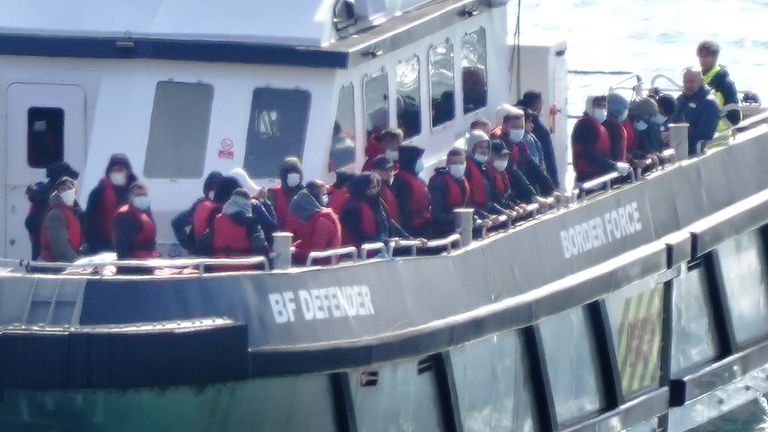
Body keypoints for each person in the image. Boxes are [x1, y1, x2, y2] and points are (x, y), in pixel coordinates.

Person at [491, 105, 558, 197]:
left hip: (520, 193)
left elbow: (533, 167)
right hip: (509, 194)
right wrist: (532, 196)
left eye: (521, 127)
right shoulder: (498, 144)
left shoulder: (520, 145)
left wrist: (551, 189)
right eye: (515, 127)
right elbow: (512, 171)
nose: (519, 130)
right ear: (504, 126)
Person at [25, 161, 80, 260]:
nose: (69, 190)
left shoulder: (39, 195)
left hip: (40, 248)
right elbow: (61, 248)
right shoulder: (57, 209)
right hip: (53, 259)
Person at [85, 153, 138, 253]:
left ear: (127, 171)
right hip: (103, 248)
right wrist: (97, 248)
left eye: (121, 169)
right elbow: (90, 224)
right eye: (114, 169)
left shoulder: (136, 192)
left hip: (131, 249)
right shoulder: (97, 193)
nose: (117, 172)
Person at [571, 96, 631, 182]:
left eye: (604, 106)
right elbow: (589, 154)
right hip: (588, 177)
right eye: (598, 105)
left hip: (599, 175)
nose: (602, 109)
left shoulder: (598, 124)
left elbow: (603, 153)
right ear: (590, 106)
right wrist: (614, 165)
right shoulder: (585, 125)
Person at [340, 172, 406, 247]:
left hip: (383, 248)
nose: (375, 190)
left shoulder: (378, 202)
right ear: (362, 188)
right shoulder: (351, 207)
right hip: (363, 253)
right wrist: (384, 242)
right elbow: (356, 234)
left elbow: (390, 222)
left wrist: (409, 239)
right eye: (372, 187)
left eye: (376, 187)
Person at [211, 189, 269, 268]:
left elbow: (203, 244)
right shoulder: (251, 224)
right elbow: (261, 247)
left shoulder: (217, 221)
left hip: (219, 269)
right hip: (245, 271)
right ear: (247, 203)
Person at [171, 171, 223, 254]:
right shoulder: (227, 205)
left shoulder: (200, 204)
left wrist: (190, 247)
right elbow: (177, 223)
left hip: (201, 255)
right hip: (217, 255)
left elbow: (176, 223)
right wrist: (189, 246)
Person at [289, 180, 342, 263]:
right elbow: (307, 240)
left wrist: (295, 252)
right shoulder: (317, 217)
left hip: (324, 265)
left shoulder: (322, 223)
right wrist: (292, 247)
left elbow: (316, 251)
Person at [672, 68, 721, 155]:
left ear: (702, 82)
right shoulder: (680, 99)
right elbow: (671, 119)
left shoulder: (709, 103)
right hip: (673, 144)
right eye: (685, 82)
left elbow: (705, 134)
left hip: (691, 150)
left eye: (692, 82)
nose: (688, 85)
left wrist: (678, 132)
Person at [697, 40, 741, 132]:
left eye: (707, 56)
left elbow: (734, 119)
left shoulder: (725, 83)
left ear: (715, 58)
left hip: (719, 139)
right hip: (698, 135)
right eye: (701, 56)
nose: (703, 60)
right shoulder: (696, 79)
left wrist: (709, 127)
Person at [518, 90, 559, 188]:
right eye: (541, 103)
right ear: (537, 105)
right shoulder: (539, 130)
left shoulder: (510, 116)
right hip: (535, 183)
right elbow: (548, 157)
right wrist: (554, 183)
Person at [428, 148, 470, 238]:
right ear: (447, 165)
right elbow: (436, 213)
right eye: (454, 164)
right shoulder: (438, 182)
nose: (458, 166)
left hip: (459, 226)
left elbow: (467, 207)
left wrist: (474, 218)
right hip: (442, 230)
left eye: (461, 163)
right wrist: (458, 218)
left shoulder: (462, 181)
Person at [112, 182, 160, 260]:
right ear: (131, 197)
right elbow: (122, 247)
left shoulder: (146, 212)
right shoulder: (125, 216)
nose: (142, 198)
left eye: (144, 195)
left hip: (148, 260)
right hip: (133, 263)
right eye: (138, 195)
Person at [392, 145, 432, 238]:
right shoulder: (401, 181)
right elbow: (403, 209)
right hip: (412, 229)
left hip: (424, 223)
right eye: (419, 158)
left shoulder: (418, 179)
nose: (421, 161)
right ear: (411, 160)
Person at [39, 177, 82, 262]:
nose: (67, 191)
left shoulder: (74, 212)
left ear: (75, 191)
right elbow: (60, 248)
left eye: (69, 188)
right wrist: (79, 264)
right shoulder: (55, 214)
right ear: (58, 193)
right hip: (53, 263)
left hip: (67, 261)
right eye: (63, 189)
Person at [464, 130, 498, 216]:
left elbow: (491, 200)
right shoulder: (466, 169)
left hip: (487, 214)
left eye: (486, 147)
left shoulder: (486, 169)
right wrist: (484, 216)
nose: (484, 150)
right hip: (474, 216)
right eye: (480, 147)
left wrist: (504, 210)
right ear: (472, 148)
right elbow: (466, 202)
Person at [267, 156, 304, 232]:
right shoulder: (273, 193)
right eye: (290, 172)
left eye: (296, 172)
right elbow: (268, 217)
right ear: (283, 175)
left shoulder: (306, 193)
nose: (293, 174)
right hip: (280, 237)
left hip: (301, 238)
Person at [628, 98, 664, 169]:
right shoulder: (626, 126)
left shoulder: (638, 129)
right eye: (648, 116)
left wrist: (651, 154)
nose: (648, 120)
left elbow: (643, 145)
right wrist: (643, 156)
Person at [370, 155, 399, 222]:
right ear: (375, 171)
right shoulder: (373, 189)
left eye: (391, 169)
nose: (389, 172)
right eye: (385, 170)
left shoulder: (394, 184)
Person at [604, 93, 629, 163]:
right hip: (614, 166)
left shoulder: (604, 122)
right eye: (625, 108)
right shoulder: (614, 126)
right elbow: (616, 151)